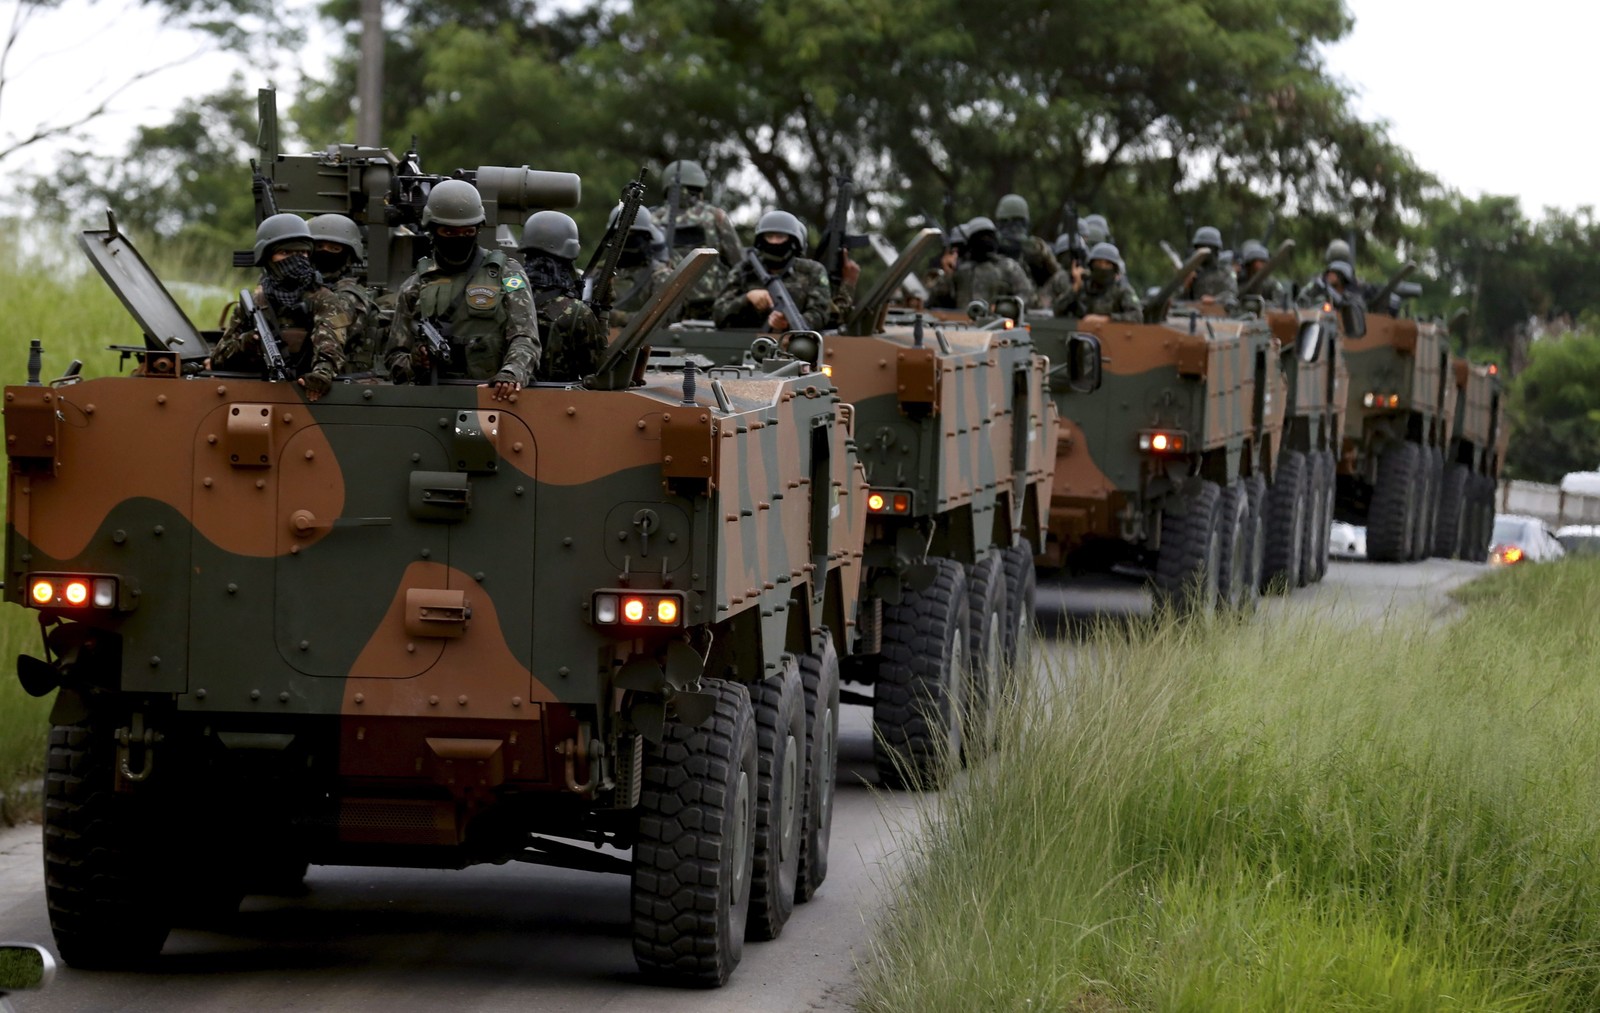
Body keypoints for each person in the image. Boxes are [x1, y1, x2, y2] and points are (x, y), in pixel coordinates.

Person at [383, 180, 538, 401]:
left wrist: (511, 373)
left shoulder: (507, 274)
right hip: (432, 399)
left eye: (468, 231)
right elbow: (394, 359)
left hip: (493, 397)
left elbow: (525, 337)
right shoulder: (415, 285)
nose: (460, 238)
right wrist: (416, 363)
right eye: (449, 231)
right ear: (433, 230)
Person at [211, 213, 351, 401]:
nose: (296, 260)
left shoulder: (324, 299)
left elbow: (330, 345)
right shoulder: (253, 303)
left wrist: (321, 375)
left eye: (301, 253)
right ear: (268, 257)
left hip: (304, 395)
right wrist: (249, 342)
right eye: (286, 253)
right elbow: (219, 358)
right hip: (255, 394)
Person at [518, 210, 606, 383]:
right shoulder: (577, 312)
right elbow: (599, 372)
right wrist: (603, 313)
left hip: (502, 395)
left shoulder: (505, 297)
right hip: (557, 403)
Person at [713, 210, 836, 331]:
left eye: (780, 236)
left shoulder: (812, 271)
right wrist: (747, 298)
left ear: (793, 241)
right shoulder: (744, 270)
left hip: (795, 343)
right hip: (743, 343)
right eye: (769, 236)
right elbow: (719, 315)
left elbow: (820, 313)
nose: (774, 242)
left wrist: (788, 323)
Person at [651, 159, 744, 319]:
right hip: (711, 310)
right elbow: (739, 262)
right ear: (699, 187)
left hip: (664, 309)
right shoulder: (714, 216)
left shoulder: (653, 219)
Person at [307, 213, 382, 373]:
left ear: (349, 256)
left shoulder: (347, 297)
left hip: (341, 380)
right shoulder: (310, 289)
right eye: (319, 247)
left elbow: (330, 337)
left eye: (335, 248)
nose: (325, 253)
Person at [926, 216, 1034, 311]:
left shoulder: (1008, 266)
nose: (985, 240)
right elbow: (935, 300)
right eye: (980, 236)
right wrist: (948, 273)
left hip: (998, 326)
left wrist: (1006, 307)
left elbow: (1027, 295)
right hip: (963, 326)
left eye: (989, 236)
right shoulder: (960, 270)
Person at [606, 205, 674, 329]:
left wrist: (619, 318)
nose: (625, 242)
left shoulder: (660, 276)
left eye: (631, 235)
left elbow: (662, 319)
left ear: (646, 237)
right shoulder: (601, 273)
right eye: (620, 235)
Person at [1050, 242, 1142, 322]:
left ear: (1114, 268)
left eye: (1107, 264)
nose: (1102, 267)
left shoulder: (1122, 290)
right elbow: (1057, 310)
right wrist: (1075, 287)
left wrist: (1106, 319)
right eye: (1098, 263)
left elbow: (1137, 317)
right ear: (1091, 266)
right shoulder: (1083, 287)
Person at [993, 193, 1061, 289]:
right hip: (1029, 299)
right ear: (1025, 220)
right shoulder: (1037, 246)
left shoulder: (990, 243)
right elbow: (1056, 274)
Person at [1181, 225, 1238, 311]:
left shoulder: (1226, 271)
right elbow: (1176, 299)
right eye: (1199, 247)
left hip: (1220, 313)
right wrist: (1186, 286)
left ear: (1215, 249)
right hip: (1193, 313)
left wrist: (1215, 299)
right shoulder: (1191, 270)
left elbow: (1232, 293)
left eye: (1205, 247)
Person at [1236, 239, 1285, 305]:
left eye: (1264, 261)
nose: (1262, 265)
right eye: (1260, 261)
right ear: (1249, 264)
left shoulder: (1272, 284)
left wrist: (1260, 305)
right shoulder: (1239, 282)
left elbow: (1279, 304)